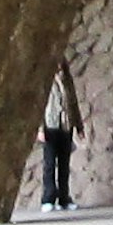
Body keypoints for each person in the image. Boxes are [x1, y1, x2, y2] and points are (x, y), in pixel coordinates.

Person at [39, 57, 82, 211]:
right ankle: (48, 198)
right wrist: (40, 129)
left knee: (64, 164)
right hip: (50, 125)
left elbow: (73, 103)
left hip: (66, 125)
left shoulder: (67, 80)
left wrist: (79, 126)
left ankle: (64, 198)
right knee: (50, 164)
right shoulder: (43, 80)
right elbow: (39, 105)